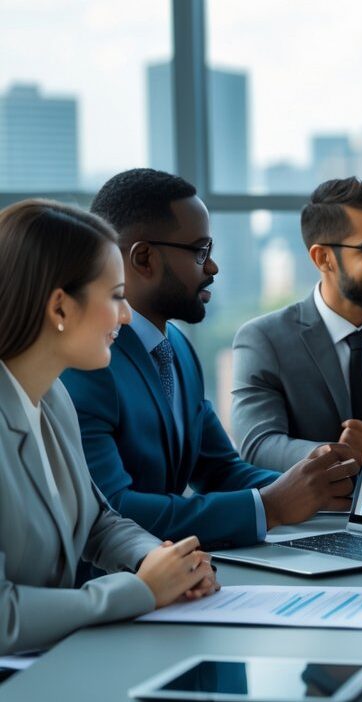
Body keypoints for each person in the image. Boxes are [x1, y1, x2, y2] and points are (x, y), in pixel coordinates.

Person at [61, 169, 360, 551]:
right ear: (144, 258)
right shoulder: (87, 362)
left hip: (183, 576)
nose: (213, 267)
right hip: (114, 589)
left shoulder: (179, 351)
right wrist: (269, 506)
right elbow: (112, 510)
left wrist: (323, 485)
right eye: (201, 252)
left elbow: (220, 470)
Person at [0, 200, 218, 657]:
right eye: (116, 296)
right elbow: (6, 616)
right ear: (60, 306)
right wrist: (141, 591)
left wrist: (160, 560)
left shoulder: (53, 396)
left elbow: (96, 520)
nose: (124, 316)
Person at [231, 177, 362, 470]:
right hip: (316, 514)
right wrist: (345, 454)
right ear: (324, 258)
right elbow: (259, 445)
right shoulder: (264, 339)